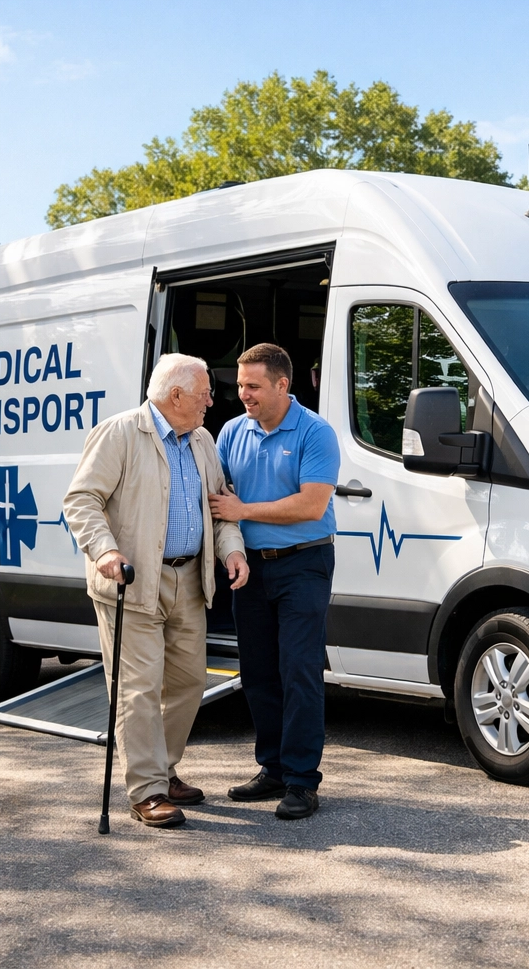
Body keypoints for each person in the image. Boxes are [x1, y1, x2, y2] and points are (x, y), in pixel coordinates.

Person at [63, 353, 250, 829]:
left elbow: (220, 508)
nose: (213, 399)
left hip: (189, 579)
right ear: (176, 396)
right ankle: (146, 789)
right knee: (138, 689)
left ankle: (163, 770)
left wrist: (232, 551)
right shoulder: (121, 433)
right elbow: (81, 500)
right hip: (133, 580)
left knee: (189, 682)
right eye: (206, 391)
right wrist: (103, 551)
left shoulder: (202, 440)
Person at [210, 342, 340, 820]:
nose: (243, 394)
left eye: (253, 386)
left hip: (304, 564)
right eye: (240, 385)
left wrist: (244, 511)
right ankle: (273, 769)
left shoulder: (315, 432)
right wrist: (234, 547)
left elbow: (311, 505)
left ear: (282, 385)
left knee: (300, 671)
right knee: (259, 672)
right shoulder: (230, 431)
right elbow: (218, 497)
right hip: (250, 566)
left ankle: (303, 781)